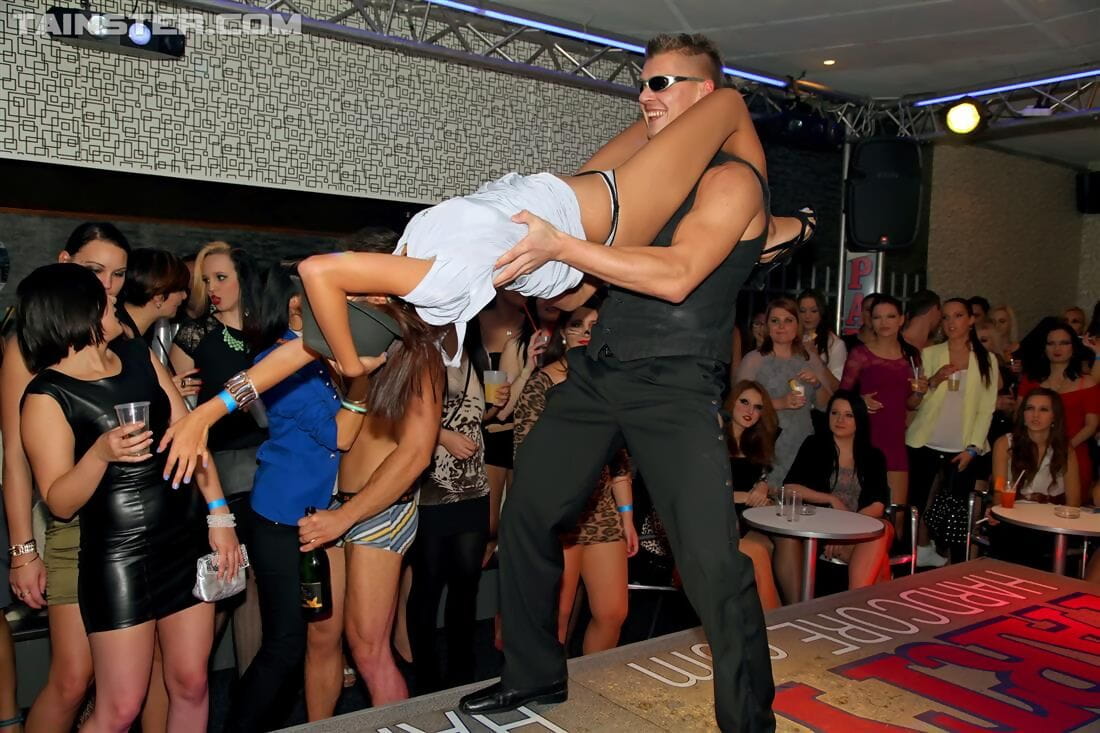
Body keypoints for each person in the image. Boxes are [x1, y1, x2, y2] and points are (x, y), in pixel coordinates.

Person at [453, 34, 777, 731]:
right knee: (526, 513)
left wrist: (563, 245)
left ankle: (750, 721)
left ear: (706, 95)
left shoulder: (732, 180)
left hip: (675, 383)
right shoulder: (653, 178)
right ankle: (534, 675)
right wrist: (534, 271)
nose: (645, 94)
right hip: (600, 370)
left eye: (662, 83)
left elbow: (678, 275)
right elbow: (583, 280)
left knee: (712, 564)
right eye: (643, 81)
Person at [18, 263, 241, 732]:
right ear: (76, 311)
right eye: (103, 297)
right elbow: (60, 502)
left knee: (192, 683)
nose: (115, 299)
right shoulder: (47, 395)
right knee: (120, 708)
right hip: (117, 558)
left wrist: (220, 518)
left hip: (183, 537)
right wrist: (100, 454)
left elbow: (189, 434)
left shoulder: (139, 355)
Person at [224, 265, 370, 732]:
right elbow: (340, 435)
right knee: (284, 646)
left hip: (315, 515)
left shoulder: (318, 353)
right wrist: (364, 381)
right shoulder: (280, 362)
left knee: (306, 639)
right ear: (296, 307)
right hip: (281, 517)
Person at [2, 222, 129, 733]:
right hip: (67, 520)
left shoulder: (119, 332)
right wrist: (22, 551)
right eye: (96, 270)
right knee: (74, 678)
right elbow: (15, 457)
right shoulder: (28, 345)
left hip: (129, 523)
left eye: (118, 274)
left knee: (125, 679)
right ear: (65, 262)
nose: (108, 285)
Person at [512, 301, 639, 655]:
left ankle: (591, 682)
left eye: (594, 326)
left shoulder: (608, 385)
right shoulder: (541, 384)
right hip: (556, 512)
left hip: (600, 513)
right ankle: (551, 680)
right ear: (563, 334)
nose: (586, 333)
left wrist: (626, 516)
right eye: (577, 325)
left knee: (613, 612)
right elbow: (526, 456)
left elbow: (619, 459)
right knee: (558, 616)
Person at [408, 326, 499, 694]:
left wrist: (500, 401)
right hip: (431, 488)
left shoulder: (476, 354)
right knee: (428, 585)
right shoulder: (419, 351)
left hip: (474, 487)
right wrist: (443, 436)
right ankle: (426, 679)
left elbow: (481, 417)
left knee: (466, 584)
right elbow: (399, 412)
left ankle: (462, 674)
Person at [906, 298, 998, 566]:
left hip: (963, 448)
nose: (951, 323)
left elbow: (986, 409)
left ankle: (955, 567)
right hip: (925, 442)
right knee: (917, 507)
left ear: (971, 319)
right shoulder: (930, 353)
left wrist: (973, 448)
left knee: (957, 517)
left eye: (958, 316)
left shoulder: (986, 359)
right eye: (945, 317)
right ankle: (913, 561)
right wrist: (934, 381)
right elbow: (915, 401)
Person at [780, 391, 893, 599]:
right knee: (880, 564)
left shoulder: (873, 455)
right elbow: (790, 488)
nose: (840, 420)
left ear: (859, 419)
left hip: (861, 529)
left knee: (882, 530)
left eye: (848, 415)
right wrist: (831, 499)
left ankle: (853, 604)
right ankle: (859, 605)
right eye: (835, 413)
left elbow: (877, 505)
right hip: (822, 529)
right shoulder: (814, 445)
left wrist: (846, 532)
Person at [738, 297, 832, 486]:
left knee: (797, 497)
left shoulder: (809, 358)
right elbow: (738, 403)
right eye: (775, 321)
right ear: (767, 325)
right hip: (764, 440)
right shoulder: (754, 359)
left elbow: (826, 406)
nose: (781, 326)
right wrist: (780, 403)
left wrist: (816, 384)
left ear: (797, 324)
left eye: (788, 320)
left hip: (802, 441)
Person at [840, 295, 922, 510]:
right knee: (860, 508)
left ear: (901, 319)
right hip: (865, 436)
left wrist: (920, 393)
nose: (884, 322)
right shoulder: (860, 353)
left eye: (890, 316)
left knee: (897, 511)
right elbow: (842, 397)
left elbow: (911, 403)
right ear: (870, 320)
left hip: (895, 438)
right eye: (878, 317)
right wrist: (859, 401)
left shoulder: (911, 355)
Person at [986, 389, 1080, 568]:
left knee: (1040, 544)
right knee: (1013, 537)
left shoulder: (1065, 450)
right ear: (1023, 414)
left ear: (1054, 416)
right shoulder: (1005, 443)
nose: (1035, 415)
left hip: (1050, 520)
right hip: (1014, 516)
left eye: (1044, 409)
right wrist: (998, 508)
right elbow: (999, 489)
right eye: (1030, 408)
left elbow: (1074, 502)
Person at [1016, 320, 1100, 492]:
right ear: (1044, 347)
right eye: (1051, 343)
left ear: (1073, 347)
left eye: (1064, 343)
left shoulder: (1088, 383)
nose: (1057, 348)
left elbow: (1091, 425)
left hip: (1073, 452)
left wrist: (1064, 449)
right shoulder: (1030, 380)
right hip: (1032, 454)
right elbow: (1018, 416)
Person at [725, 381, 782, 611]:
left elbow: (759, 481)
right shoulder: (712, 441)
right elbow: (698, 492)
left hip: (749, 520)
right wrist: (744, 496)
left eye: (758, 407)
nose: (750, 411)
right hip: (718, 521)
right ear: (731, 403)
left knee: (786, 542)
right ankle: (777, 619)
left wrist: (762, 486)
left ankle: (794, 609)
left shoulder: (756, 443)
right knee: (759, 552)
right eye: (744, 402)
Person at [797, 289, 845, 384]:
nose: (807, 316)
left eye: (814, 311)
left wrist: (816, 359)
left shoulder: (835, 343)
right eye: (802, 311)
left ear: (822, 312)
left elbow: (837, 385)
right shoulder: (790, 337)